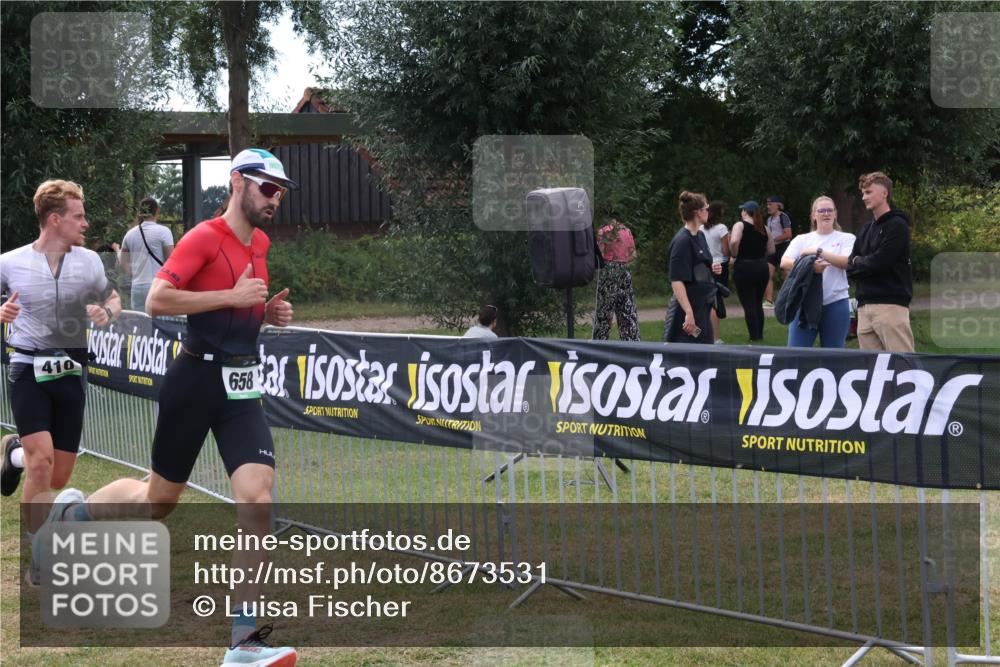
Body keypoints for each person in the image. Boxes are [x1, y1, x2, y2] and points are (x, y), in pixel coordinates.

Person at [35, 149, 299, 667]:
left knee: (258, 499)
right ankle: (73, 517)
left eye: (281, 191)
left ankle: (245, 644)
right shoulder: (204, 236)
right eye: (268, 188)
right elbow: (158, 300)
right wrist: (231, 296)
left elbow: (235, 305)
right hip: (194, 380)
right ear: (238, 182)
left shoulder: (262, 243)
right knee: (158, 501)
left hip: (241, 387)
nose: (275, 199)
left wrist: (263, 311)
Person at [0, 179, 122, 563]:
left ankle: (12, 454)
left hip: (72, 368)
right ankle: (39, 553)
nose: (85, 224)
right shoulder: (10, 262)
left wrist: (107, 312)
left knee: (59, 475)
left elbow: (113, 297)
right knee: (43, 463)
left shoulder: (88, 262)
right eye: (79, 216)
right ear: (55, 220)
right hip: (27, 365)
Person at [847, 171, 914, 352]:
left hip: (890, 306)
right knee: (873, 372)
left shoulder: (897, 225)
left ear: (884, 193)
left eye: (868, 192)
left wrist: (859, 262)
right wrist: (861, 262)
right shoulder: (866, 229)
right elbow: (850, 267)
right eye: (862, 193)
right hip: (864, 307)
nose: (863, 197)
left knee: (904, 367)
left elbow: (880, 263)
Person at [779, 196, 856, 348]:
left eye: (829, 210)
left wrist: (817, 251)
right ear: (814, 215)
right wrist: (809, 267)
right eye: (821, 210)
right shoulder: (802, 239)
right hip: (804, 302)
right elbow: (784, 262)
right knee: (795, 355)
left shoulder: (847, 238)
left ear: (835, 214)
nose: (826, 214)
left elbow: (847, 262)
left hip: (835, 303)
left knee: (834, 356)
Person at [663, 191, 721, 344]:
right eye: (706, 208)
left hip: (702, 306)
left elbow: (700, 264)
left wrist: (712, 268)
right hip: (688, 309)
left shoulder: (700, 236)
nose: (709, 212)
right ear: (698, 212)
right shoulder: (682, 241)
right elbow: (676, 280)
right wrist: (688, 313)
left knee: (705, 343)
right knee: (687, 351)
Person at [729, 201, 774, 343]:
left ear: (744, 212)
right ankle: (759, 335)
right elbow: (772, 249)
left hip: (744, 266)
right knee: (757, 302)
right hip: (761, 267)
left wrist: (734, 254)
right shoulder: (764, 228)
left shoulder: (740, 225)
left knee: (748, 303)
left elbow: (735, 241)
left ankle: (754, 337)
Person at [119, 197, 174, 313]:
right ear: (157, 211)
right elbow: (171, 261)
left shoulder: (129, 234)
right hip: (156, 286)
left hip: (137, 287)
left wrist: (133, 273)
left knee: (139, 325)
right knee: (158, 325)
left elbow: (122, 261)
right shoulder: (164, 232)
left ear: (140, 213)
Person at [592, 218, 640, 341]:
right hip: (625, 269)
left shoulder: (604, 231)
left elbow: (600, 254)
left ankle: (600, 342)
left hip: (609, 269)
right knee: (627, 310)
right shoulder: (626, 231)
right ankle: (631, 342)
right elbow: (633, 254)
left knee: (604, 311)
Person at [700, 201, 730, 344]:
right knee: (716, 302)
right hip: (720, 264)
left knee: (705, 300)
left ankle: (703, 334)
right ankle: (715, 337)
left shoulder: (700, 228)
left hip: (705, 265)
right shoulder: (721, 228)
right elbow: (726, 250)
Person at [764, 195, 793, 307]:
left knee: (785, 274)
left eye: (770, 204)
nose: (768, 206)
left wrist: (773, 239)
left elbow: (788, 234)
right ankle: (769, 301)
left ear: (778, 205)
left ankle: (788, 299)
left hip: (784, 247)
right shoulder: (769, 219)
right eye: (767, 204)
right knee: (768, 273)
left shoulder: (783, 217)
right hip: (772, 249)